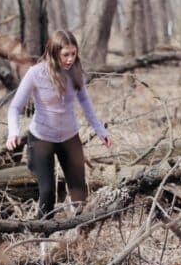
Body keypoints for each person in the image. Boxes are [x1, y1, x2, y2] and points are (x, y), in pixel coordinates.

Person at [7, 30, 112, 219]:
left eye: (74, 53)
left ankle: (78, 235)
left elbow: (85, 102)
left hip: (69, 138)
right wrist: (13, 133)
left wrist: (100, 130)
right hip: (41, 139)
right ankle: (43, 239)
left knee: (79, 192)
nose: (70, 59)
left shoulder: (75, 72)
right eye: (66, 54)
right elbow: (15, 107)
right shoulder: (36, 73)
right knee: (47, 192)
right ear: (54, 52)